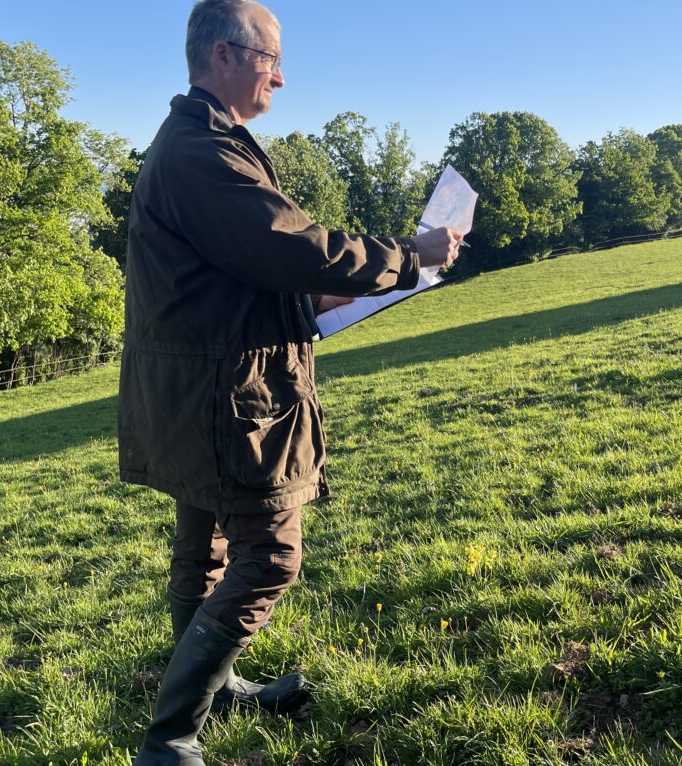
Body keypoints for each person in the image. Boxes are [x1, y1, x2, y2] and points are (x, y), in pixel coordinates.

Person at [117, 1, 463, 762]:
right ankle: (170, 739)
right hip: (224, 399)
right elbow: (291, 246)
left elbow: (254, 276)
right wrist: (410, 253)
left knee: (202, 545)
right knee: (270, 556)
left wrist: (359, 287)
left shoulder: (208, 144)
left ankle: (215, 689)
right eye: (270, 57)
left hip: (200, 389)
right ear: (221, 55)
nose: (281, 73)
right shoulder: (202, 153)